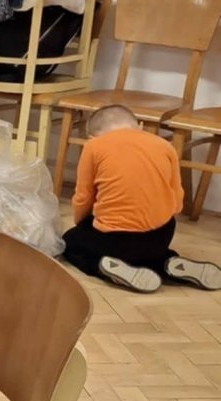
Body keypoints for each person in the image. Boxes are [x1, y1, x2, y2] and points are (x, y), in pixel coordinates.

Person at [63, 104, 221, 292]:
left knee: (70, 242)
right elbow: (177, 196)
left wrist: (82, 224)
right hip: (162, 234)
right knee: (148, 251)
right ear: (140, 125)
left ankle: (103, 267)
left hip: (116, 239)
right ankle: (167, 263)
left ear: (93, 136)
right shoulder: (165, 146)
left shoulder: (94, 146)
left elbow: (84, 196)